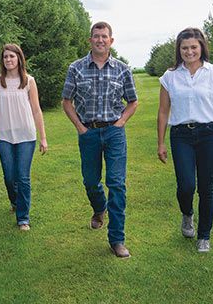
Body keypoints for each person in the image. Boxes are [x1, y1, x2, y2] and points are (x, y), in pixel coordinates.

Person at [157, 27, 213, 253]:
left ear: (202, 47)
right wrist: (161, 142)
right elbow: (163, 112)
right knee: (186, 185)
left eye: (194, 47)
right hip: (181, 136)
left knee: (206, 187)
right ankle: (187, 214)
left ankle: (204, 235)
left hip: (210, 135)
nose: (190, 51)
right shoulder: (170, 76)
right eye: (185, 48)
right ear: (179, 50)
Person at [62, 21, 138, 258]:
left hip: (114, 132)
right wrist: (80, 128)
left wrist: (121, 122)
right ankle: (99, 208)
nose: (100, 40)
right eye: (96, 36)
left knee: (116, 184)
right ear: (90, 40)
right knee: (91, 181)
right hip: (89, 132)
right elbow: (67, 101)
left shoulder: (122, 69)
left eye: (104, 36)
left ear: (111, 40)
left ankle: (117, 239)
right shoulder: (76, 68)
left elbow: (132, 101)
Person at [0, 44, 48, 231]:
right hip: (4, 136)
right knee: (9, 176)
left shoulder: (29, 81)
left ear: (19, 59)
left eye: (12, 56)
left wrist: (43, 138)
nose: (8, 60)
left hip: (26, 135)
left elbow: (37, 110)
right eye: (5, 57)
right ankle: (14, 201)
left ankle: (23, 218)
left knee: (23, 176)